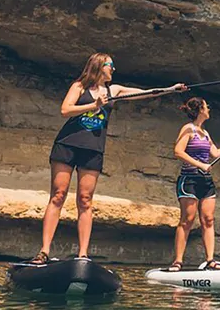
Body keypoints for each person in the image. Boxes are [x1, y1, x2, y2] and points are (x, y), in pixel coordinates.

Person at [28, 53, 187, 264]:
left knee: (85, 199)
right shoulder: (80, 86)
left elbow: (146, 93)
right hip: (67, 145)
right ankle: (44, 251)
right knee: (58, 195)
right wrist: (94, 104)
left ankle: (83, 254)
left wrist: (170, 90)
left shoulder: (115, 90)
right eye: (110, 65)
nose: (113, 69)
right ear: (99, 66)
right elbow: (65, 110)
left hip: (93, 149)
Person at [169, 97, 220, 271]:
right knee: (187, 220)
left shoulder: (205, 133)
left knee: (208, 219)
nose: (209, 108)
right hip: (189, 180)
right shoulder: (188, 129)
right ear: (200, 109)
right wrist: (201, 165)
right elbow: (178, 151)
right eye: (206, 106)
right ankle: (178, 261)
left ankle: (210, 260)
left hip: (205, 182)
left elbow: (215, 153)